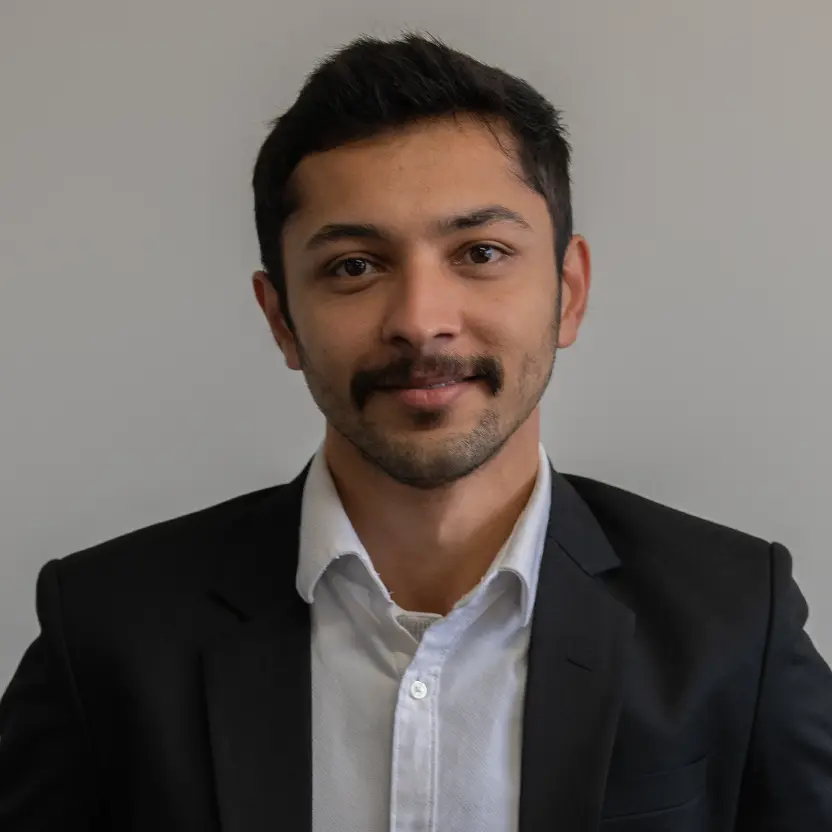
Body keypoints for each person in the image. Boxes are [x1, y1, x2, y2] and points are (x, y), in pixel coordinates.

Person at [1, 31, 830, 832]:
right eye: (354, 266)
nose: (421, 320)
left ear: (568, 293)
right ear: (282, 319)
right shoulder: (107, 629)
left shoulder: (734, 620)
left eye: (480, 252)